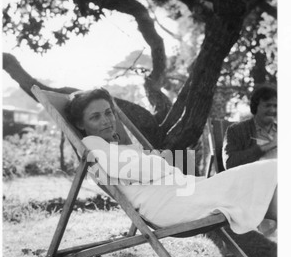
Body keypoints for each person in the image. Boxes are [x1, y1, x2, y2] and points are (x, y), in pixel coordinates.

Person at [65, 88, 277, 235]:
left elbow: (153, 166)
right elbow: (151, 168)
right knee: (265, 172)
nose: (107, 120)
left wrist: (157, 161)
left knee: (264, 174)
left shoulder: (114, 147)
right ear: (79, 124)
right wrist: (158, 161)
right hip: (169, 204)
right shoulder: (94, 146)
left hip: (179, 191)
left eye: (109, 113)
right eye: (95, 117)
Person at [222, 83, 277, 170]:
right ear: (255, 106)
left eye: (276, 106)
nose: (273, 110)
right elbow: (230, 164)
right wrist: (268, 146)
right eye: (267, 105)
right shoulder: (236, 131)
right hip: (252, 181)